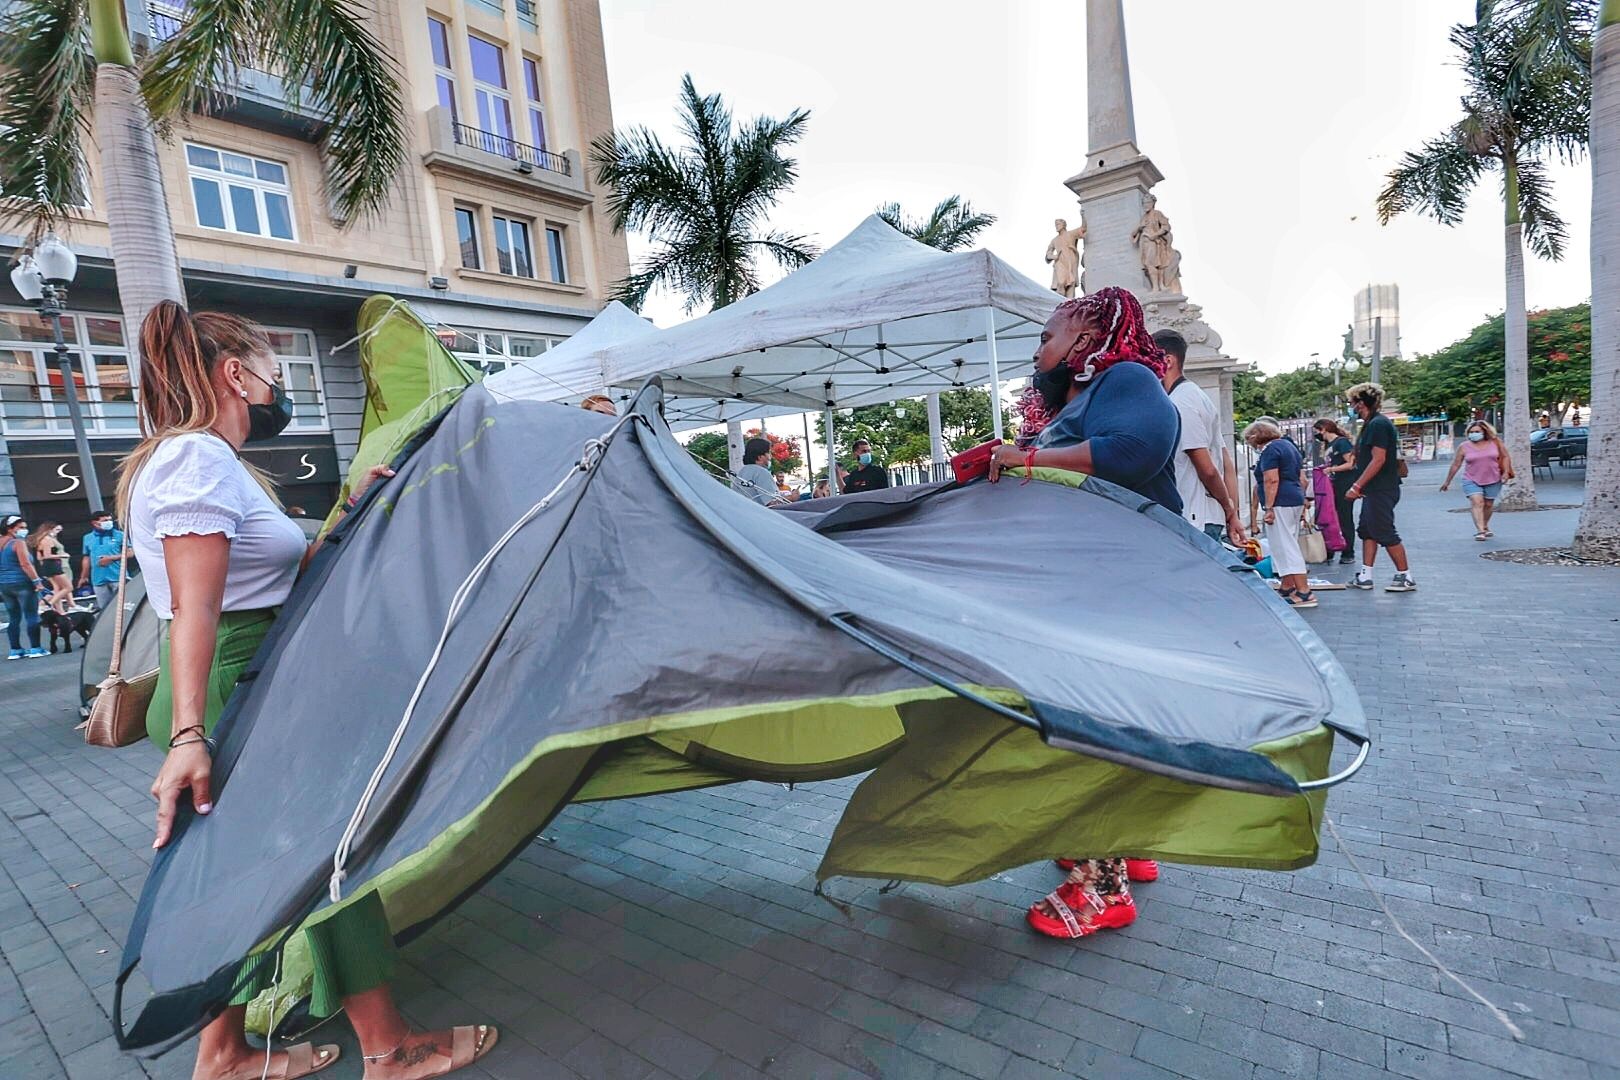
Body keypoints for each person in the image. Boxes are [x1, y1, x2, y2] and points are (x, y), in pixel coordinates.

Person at [120, 301, 496, 1080]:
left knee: (242, 870)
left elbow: (265, 576)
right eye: (271, 371)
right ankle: (389, 1049)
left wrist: (349, 507)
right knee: (325, 855)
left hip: (243, 675)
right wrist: (191, 735)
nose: (277, 386)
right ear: (236, 374)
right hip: (233, 682)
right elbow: (197, 608)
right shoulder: (194, 460)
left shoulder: (207, 461)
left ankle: (221, 1053)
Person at [986, 286, 1178, 940]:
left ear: (1086, 335)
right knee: (1113, 720)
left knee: (1088, 724)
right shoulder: (1087, 395)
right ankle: (1124, 843)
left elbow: (1134, 451)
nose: (1039, 347)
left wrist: (1031, 461)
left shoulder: (1125, 377)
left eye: (1047, 334)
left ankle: (1101, 889)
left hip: (1118, 592)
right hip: (1108, 590)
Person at [1153, 330, 1246, 544]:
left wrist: (1228, 509)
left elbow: (1208, 469)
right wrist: (1231, 512)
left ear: (1167, 360)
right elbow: (1226, 464)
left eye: (1149, 357)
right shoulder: (1196, 396)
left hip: (1195, 518)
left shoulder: (1182, 401)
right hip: (1203, 517)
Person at [1344, 382, 1416, 592]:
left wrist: (1357, 486)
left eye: (1352, 402)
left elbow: (1378, 459)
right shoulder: (1371, 424)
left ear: (1360, 403)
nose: (1351, 407)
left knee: (1384, 530)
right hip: (1374, 489)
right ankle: (1366, 575)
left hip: (1381, 488)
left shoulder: (1377, 424)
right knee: (1368, 530)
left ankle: (1406, 576)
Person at [1244, 419, 1315, 609]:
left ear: (1254, 437)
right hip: (1293, 498)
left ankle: (1304, 591)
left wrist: (1268, 507)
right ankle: (1287, 585)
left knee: (1285, 546)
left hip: (1280, 501)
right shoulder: (1288, 446)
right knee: (1286, 543)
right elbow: (1302, 478)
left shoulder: (1270, 450)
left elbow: (1271, 480)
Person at [1440, 419, 1513, 540]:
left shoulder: (1495, 443)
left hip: (1493, 478)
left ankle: (1484, 525)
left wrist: (1505, 472)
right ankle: (1480, 530)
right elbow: (1456, 464)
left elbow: (1505, 457)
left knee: (1488, 504)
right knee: (1477, 502)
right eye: (1471, 432)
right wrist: (1447, 481)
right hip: (1471, 479)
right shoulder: (1464, 446)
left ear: (1485, 431)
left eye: (1477, 431)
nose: (1473, 434)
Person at [2, 514, 49, 659]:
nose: (24, 530)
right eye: (21, 527)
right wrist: (37, 582)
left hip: (4, 585)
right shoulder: (18, 543)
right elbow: (25, 564)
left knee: (14, 618)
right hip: (23, 583)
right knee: (31, 616)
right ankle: (36, 648)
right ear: (10, 529)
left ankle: (15, 650)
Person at [1314, 418, 1358, 564]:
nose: (1316, 434)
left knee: (1345, 518)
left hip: (1344, 483)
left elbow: (1350, 463)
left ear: (1324, 429)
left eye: (1317, 431)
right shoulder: (1329, 445)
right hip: (1333, 483)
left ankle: (1348, 552)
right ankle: (1331, 547)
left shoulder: (1341, 442)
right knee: (1332, 517)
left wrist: (1332, 469)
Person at [79, 508, 127, 612]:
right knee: (104, 610)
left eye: (110, 520)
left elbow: (131, 553)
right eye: (105, 520)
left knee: (124, 607)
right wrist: (84, 576)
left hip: (118, 577)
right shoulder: (87, 538)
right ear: (95, 523)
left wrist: (111, 558)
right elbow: (86, 557)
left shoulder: (119, 535)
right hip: (98, 579)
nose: (109, 522)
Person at [30, 521, 73, 615]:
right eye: (56, 530)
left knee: (57, 588)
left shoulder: (41, 540)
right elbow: (47, 555)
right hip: (53, 565)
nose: (58, 532)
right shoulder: (47, 540)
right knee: (68, 587)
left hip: (48, 566)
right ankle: (47, 604)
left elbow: (39, 557)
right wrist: (62, 556)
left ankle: (59, 610)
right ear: (49, 529)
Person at [733, 436, 783, 506]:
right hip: (761, 514)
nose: (770, 457)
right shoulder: (762, 473)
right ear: (760, 457)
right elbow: (773, 503)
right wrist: (792, 498)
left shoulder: (742, 471)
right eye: (768, 453)